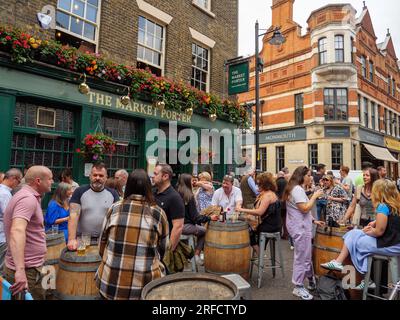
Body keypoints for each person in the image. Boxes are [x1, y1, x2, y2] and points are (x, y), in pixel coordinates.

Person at [96, 169, 169, 300]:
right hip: (146, 287)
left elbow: (102, 244)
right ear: (148, 187)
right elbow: (164, 248)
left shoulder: (114, 208)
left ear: (128, 186)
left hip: (110, 285)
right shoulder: (158, 213)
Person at [321, 179, 400, 289]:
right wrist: (373, 224)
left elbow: (378, 232)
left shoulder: (382, 206)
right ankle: (364, 278)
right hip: (394, 243)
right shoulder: (395, 205)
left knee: (357, 242)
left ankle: (365, 277)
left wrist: (366, 231)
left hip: (389, 245)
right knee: (355, 235)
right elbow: (392, 223)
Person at [3, 166, 53, 300]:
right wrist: (20, 270)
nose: (52, 182)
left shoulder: (29, 196)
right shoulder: (27, 199)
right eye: (50, 179)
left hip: (32, 267)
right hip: (27, 270)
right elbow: (17, 230)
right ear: (38, 181)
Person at [283, 166, 325, 300]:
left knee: (306, 256)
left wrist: (314, 221)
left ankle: (311, 282)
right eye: (308, 175)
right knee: (301, 257)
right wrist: (315, 196)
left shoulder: (295, 189)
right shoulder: (297, 190)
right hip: (300, 229)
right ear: (302, 176)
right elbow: (305, 208)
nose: (310, 177)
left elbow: (299, 209)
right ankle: (298, 286)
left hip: (301, 226)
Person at [67, 163, 120, 251]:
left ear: (106, 177)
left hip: (104, 240)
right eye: (95, 175)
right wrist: (71, 239)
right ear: (90, 176)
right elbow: (73, 216)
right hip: (83, 240)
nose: (97, 178)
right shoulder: (79, 191)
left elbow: (117, 217)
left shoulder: (113, 193)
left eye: (101, 175)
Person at [177, 174, 217, 266]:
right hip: (183, 226)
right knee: (203, 231)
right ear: (187, 182)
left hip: (174, 225)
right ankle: (196, 255)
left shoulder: (177, 192)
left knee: (197, 228)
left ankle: (187, 255)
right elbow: (196, 218)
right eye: (192, 181)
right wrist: (209, 218)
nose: (195, 182)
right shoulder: (189, 195)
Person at [239, 173, 281, 256]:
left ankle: (260, 252)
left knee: (247, 230)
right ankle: (260, 248)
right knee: (248, 224)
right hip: (272, 224)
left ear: (265, 184)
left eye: (259, 184)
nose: (257, 185)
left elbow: (260, 212)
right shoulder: (268, 193)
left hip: (270, 226)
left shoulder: (267, 195)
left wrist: (241, 209)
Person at [153, 164, 185, 252]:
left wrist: (168, 252)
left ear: (165, 176)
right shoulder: (153, 193)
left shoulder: (174, 197)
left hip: (163, 247)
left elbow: (178, 227)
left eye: (156, 174)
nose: (153, 176)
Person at [0, 169, 23, 273]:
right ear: (13, 179)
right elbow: (7, 215)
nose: (18, 185)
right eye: (18, 181)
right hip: (2, 236)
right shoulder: (5, 194)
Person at [276, 171, 289, 240]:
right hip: (285, 202)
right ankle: (286, 234)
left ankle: (279, 233)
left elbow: (275, 191)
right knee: (285, 219)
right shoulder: (286, 182)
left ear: (278, 175)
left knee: (279, 219)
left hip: (278, 202)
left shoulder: (276, 182)